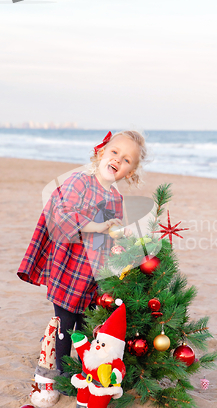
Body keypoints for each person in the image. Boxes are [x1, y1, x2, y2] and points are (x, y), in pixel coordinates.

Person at [17, 130, 147, 373]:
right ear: (101, 153)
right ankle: (63, 373)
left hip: (93, 271)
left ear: (130, 172)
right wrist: (97, 226)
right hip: (68, 265)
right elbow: (62, 216)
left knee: (86, 323)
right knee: (65, 322)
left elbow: (111, 233)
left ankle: (84, 368)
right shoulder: (80, 181)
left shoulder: (116, 199)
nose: (118, 160)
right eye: (115, 152)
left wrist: (121, 236)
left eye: (127, 160)